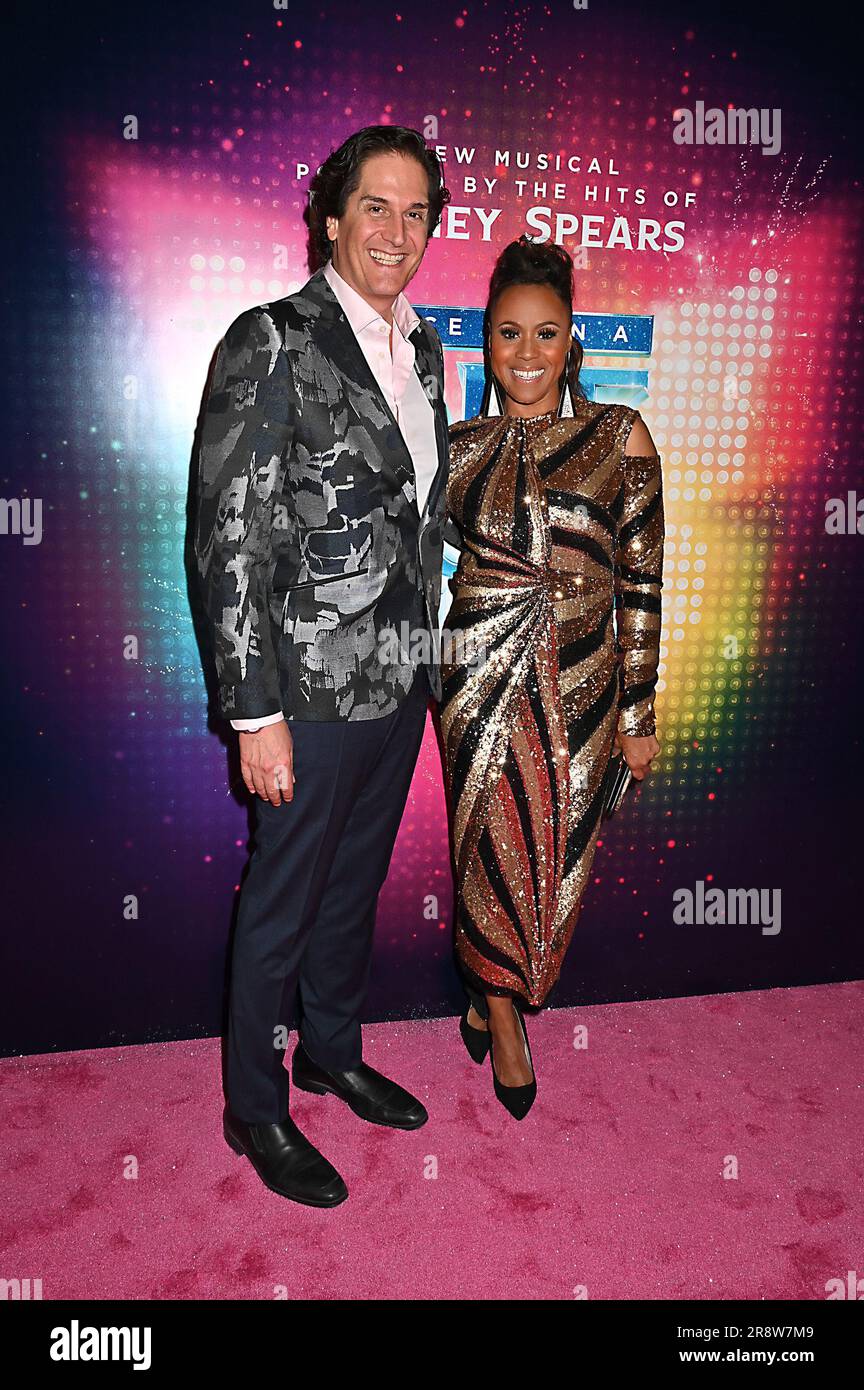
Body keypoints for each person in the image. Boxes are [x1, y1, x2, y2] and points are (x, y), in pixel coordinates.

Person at [193, 126, 451, 1205]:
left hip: (400, 675)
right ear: (331, 218)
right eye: (374, 208)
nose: (396, 232)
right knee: (285, 899)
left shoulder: (425, 347)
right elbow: (228, 536)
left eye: (416, 212)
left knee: (354, 884)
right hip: (303, 686)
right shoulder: (273, 340)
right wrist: (255, 714)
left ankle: (331, 1050)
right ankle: (254, 1106)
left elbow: (418, 510)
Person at [439, 236, 665, 1119]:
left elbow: (643, 582)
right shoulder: (453, 449)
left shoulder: (619, 435)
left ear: (572, 341)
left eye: (546, 334)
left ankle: (483, 980)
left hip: (585, 683)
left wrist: (640, 712)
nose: (526, 354)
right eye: (507, 334)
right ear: (484, 344)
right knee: (486, 845)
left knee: (552, 860)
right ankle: (502, 1014)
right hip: (476, 673)